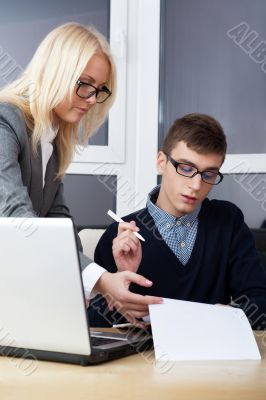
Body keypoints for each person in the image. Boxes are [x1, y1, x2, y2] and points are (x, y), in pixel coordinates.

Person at [0, 22, 162, 326]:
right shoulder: (4, 120)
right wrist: (100, 280)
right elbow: (15, 217)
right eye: (85, 83)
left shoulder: (54, 143)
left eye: (99, 89)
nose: (91, 98)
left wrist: (103, 286)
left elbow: (58, 222)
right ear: (55, 71)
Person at [89, 113, 266, 329]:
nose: (196, 185)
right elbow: (94, 326)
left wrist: (225, 319)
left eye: (209, 174)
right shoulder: (119, 235)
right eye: (186, 168)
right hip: (144, 360)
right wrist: (124, 277)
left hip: (211, 357)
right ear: (161, 162)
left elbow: (260, 302)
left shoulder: (228, 222)